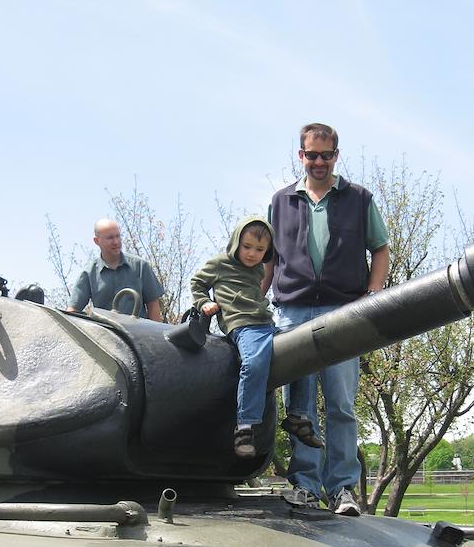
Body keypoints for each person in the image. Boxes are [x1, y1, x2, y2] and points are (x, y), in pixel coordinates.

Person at [264, 123, 390, 516]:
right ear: (300, 155)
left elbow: (380, 249)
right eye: (312, 155)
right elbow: (269, 260)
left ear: (336, 155)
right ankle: (304, 485)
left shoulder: (359, 198)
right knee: (299, 409)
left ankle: (342, 488)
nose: (319, 162)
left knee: (340, 404)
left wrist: (373, 295)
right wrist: (253, 301)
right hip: (292, 313)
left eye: (326, 155)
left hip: (343, 311)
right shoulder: (281, 201)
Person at [190, 216, 321, 459]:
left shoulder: (258, 269)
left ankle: (297, 415)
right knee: (255, 363)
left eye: (259, 250)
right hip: (241, 324)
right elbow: (197, 282)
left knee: (303, 352)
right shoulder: (220, 263)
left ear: (267, 251)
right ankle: (245, 427)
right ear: (236, 242)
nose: (252, 254)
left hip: (265, 323)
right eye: (247, 247)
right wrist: (204, 302)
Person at [67, 218, 164, 320]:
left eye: (118, 236)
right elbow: (73, 310)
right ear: (97, 241)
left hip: (137, 329)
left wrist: (153, 330)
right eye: (110, 238)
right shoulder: (89, 273)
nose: (116, 242)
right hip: (104, 329)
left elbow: (153, 305)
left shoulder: (140, 266)